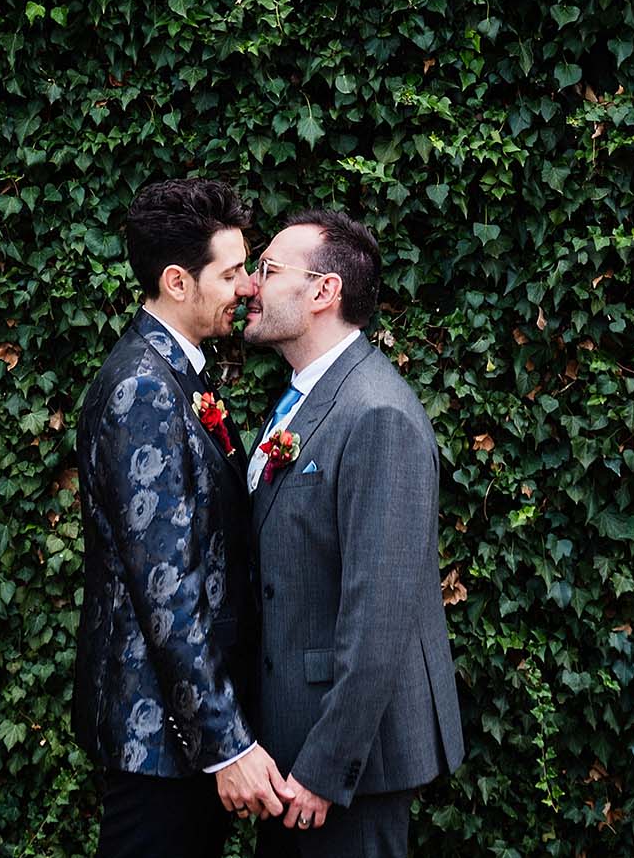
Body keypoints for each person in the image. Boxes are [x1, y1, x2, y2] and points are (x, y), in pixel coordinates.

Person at [73, 178, 295, 858]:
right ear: (177, 281)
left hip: (178, 736)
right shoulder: (144, 387)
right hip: (160, 744)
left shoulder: (180, 374)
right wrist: (226, 744)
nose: (248, 288)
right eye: (231, 273)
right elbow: (165, 588)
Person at [242, 209, 465, 858]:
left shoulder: (376, 413)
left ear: (323, 291)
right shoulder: (307, 397)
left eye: (268, 269)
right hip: (290, 740)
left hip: (346, 767)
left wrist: (325, 767)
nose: (250, 284)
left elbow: (379, 615)